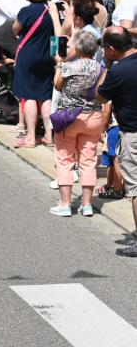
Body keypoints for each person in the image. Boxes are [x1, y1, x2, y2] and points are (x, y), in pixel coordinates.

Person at [51, 30, 107, 217]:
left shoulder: (70, 67)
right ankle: (87, 204)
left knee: (65, 159)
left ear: (79, 48)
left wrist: (59, 64)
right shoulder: (101, 68)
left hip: (70, 117)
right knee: (88, 161)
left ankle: (66, 204)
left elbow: (57, 85)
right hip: (93, 118)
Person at [96, 29, 137, 256]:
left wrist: (106, 68)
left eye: (104, 48)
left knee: (136, 189)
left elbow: (100, 96)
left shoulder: (118, 71)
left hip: (132, 135)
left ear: (112, 50)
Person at [12, 0, 58, 148]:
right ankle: (48, 134)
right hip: (47, 57)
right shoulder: (50, 11)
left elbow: (15, 29)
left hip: (28, 57)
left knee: (29, 95)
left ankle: (30, 137)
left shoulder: (26, 11)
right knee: (45, 95)